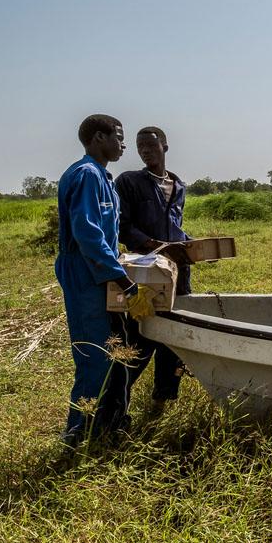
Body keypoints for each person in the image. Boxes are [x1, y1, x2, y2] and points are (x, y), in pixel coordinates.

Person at [55, 114, 154, 445]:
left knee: (114, 349)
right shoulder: (86, 175)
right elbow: (88, 235)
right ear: (99, 137)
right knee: (93, 356)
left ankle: (106, 426)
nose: (123, 145)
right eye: (118, 137)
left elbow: (107, 235)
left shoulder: (103, 177)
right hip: (84, 274)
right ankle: (77, 437)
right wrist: (125, 282)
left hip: (101, 272)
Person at [113, 126, 190, 410]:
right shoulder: (129, 182)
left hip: (176, 275)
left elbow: (176, 230)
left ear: (165, 146)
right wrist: (154, 245)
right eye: (140, 146)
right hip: (144, 274)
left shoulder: (178, 185)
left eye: (150, 145)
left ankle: (161, 401)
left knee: (174, 339)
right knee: (140, 337)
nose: (145, 151)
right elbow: (122, 228)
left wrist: (194, 246)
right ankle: (115, 404)